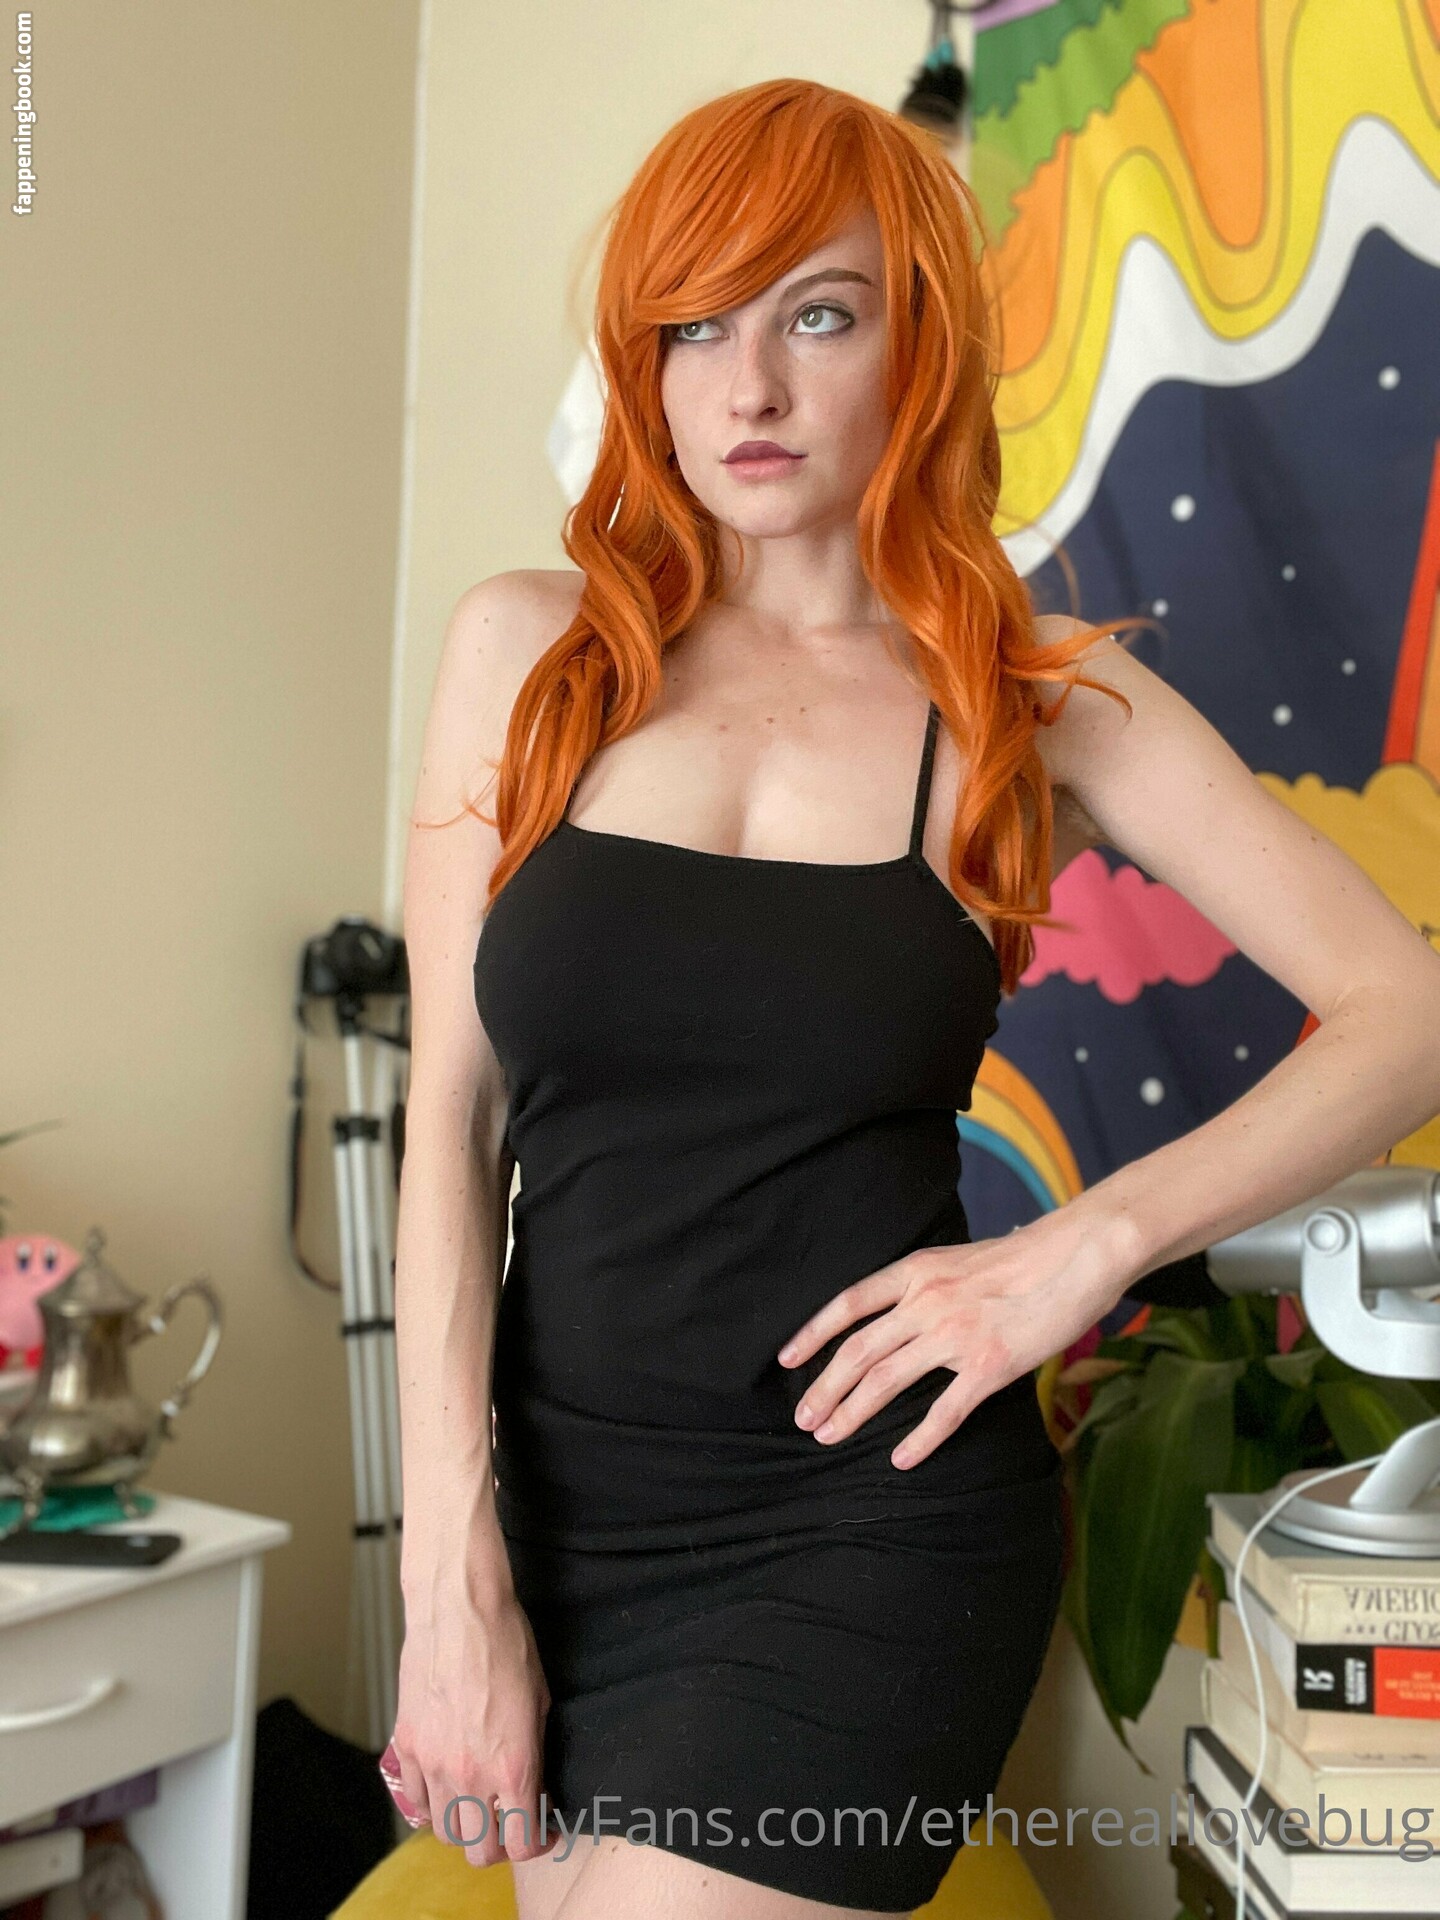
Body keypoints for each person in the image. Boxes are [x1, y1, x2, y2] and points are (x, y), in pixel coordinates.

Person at [383, 78, 1440, 1920]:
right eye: (694, 324)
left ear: (918, 343)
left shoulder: (1032, 701)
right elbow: (452, 1122)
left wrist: (1081, 1251)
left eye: (818, 314)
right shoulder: (525, 652)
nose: (748, 386)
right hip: (553, 1524)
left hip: (864, 1526)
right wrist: (446, 1578)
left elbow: (1403, 1008)